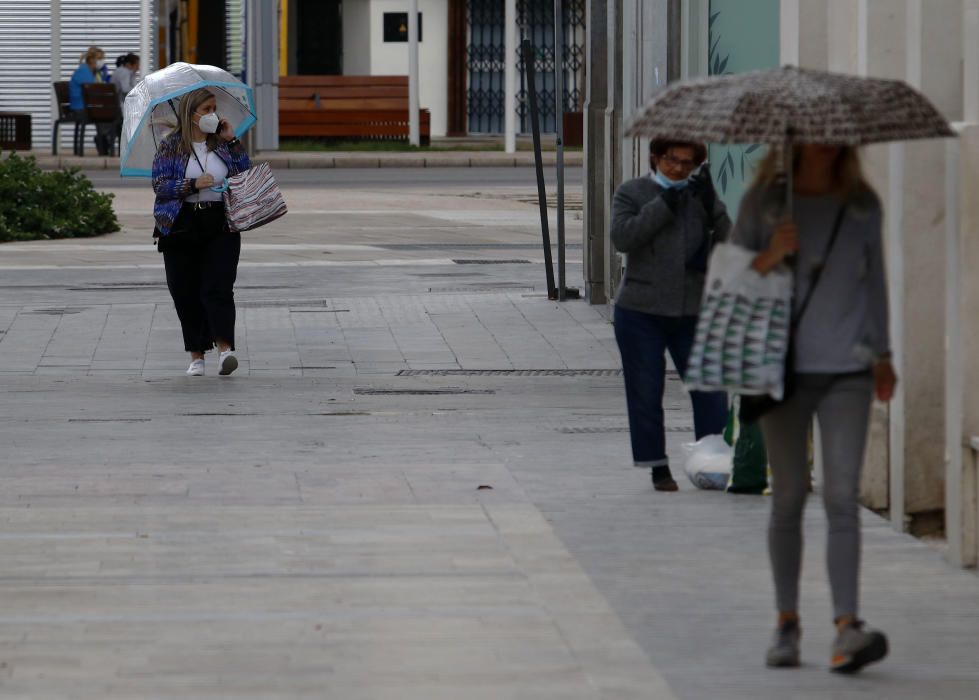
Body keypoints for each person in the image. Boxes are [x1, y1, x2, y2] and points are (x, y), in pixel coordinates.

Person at [731, 144, 897, 673]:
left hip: (848, 370)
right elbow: (732, 280)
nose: (825, 141)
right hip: (781, 372)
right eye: (815, 131)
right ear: (798, 136)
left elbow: (876, 285)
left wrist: (884, 353)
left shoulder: (862, 203)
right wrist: (770, 255)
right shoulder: (764, 202)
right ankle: (786, 622)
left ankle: (848, 626)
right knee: (788, 497)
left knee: (842, 496)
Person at [610, 139, 732, 491]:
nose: (678, 169)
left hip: (692, 311)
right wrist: (665, 203)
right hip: (640, 310)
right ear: (655, 158)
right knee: (646, 390)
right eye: (670, 160)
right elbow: (624, 237)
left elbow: (730, 239)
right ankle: (657, 466)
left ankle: (713, 462)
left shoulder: (700, 195)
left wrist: (712, 205)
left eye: (686, 163)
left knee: (709, 389)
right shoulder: (632, 192)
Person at [152, 88, 250, 377]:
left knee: (218, 287)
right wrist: (190, 185)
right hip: (180, 223)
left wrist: (231, 140)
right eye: (207, 109)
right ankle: (197, 355)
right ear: (192, 113)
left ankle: (225, 350)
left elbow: (245, 172)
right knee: (184, 291)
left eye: (214, 109)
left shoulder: (221, 143)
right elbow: (159, 185)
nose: (212, 115)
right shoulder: (171, 146)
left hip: (220, 221)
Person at [68, 46, 115, 155]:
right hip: (80, 108)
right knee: (110, 116)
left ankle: (103, 140)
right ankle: (103, 142)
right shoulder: (84, 71)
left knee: (111, 115)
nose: (102, 61)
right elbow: (96, 90)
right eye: (100, 59)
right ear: (92, 60)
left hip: (88, 107)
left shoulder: (94, 73)